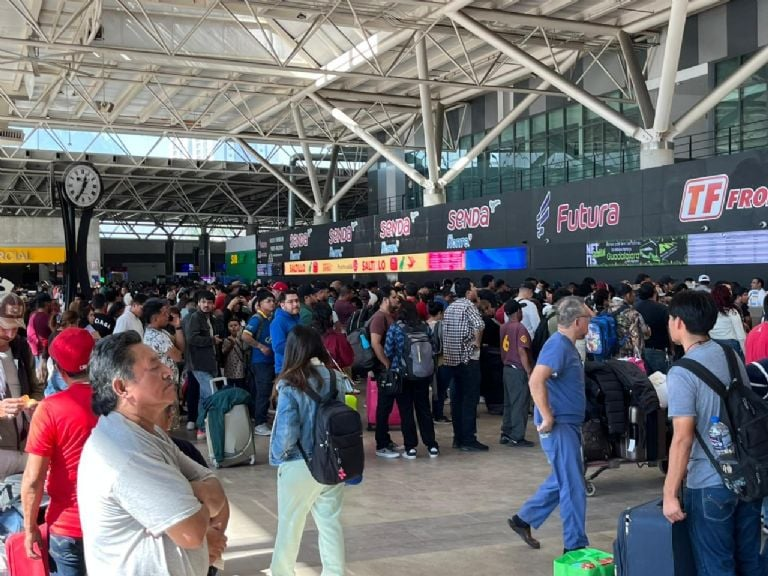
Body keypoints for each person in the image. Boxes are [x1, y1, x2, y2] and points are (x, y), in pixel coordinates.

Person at [78, 331, 229, 576]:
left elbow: (216, 489)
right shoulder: (126, 451)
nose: (168, 371)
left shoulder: (149, 434)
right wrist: (196, 491)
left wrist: (187, 492)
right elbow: (191, 532)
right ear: (121, 387)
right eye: (154, 367)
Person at [662, 291, 761, 575]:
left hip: (709, 483)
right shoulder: (731, 355)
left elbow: (682, 438)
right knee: (750, 562)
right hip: (747, 476)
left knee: (715, 566)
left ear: (678, 322)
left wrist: (669, 494)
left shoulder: (681, 373)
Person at [509, 296, 591, 553]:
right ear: (578, 322)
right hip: (560, 425)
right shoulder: (558, 346)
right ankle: (574, 546)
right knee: (573, 486)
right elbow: (536, 380)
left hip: (567, 424)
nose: (591, 323)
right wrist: (546, 416)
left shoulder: (564, 345)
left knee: (564, 478)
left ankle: (523, 519)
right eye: (588, 319)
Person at [269, 326, 346, 576]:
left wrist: (279, 457)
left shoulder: (290, 384)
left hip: (299, 462)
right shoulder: (336, 378)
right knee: (330, 524)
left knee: (290, 525)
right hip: (332, 462)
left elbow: (287, 431)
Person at [21, 328, 97, 576]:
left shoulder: (50, 409)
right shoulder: (121, 402)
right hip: (114, 525)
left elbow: (33, 479)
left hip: (67, 526)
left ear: (60, 371)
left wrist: (30, 527)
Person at [384, 301, 439, 459]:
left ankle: (411, 448)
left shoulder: (395, 328)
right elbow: (434, 348)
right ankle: (431, 445)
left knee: (406, 411)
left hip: (403, 375)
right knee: (424, 410)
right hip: (423, 375)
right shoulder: (424, 326)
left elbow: (388, 350)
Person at [0, 292, 44, 478]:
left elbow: (37, 388)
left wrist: (34, 404)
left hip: (24, 444)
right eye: (4, 327)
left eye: (15, 328)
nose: (10, 334)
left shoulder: (21, 348)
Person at [442, 278, 486, 452]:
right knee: (469, 400)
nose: (476, 289)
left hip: (452, 360)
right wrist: (476, 344)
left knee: (456, 400)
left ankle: (458, 438)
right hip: (468, 360)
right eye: (474, 286)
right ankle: (468, 439)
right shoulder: (468, 306)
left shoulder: (451, 307)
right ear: (468, 292)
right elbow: (479, 325)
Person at [370, 285, 404, 458]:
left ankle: (386, 439)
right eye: (393, 297)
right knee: (384, 406)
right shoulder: (379, 318)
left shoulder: (389, 316)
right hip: (384, 369)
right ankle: (381, 444)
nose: (397, 299)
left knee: (388, 405)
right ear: (384, 300)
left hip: (390, 368)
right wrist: (386, 363)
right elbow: (375, 342)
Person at [183, 291, 221, 441]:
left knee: (205, 395)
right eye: (204, 302)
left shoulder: (211, 318)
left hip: (210, 362)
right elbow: (192, 339)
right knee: (212, 393)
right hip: (199, 363)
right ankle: (205, 426)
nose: (207, 305)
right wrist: (211, 340)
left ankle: (202, 426)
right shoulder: (195, 318)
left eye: (210, 302)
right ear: (198, 303)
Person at [499, 299, 534, 448]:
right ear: (519, 312)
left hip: (506, 367)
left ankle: (506, 432)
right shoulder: (520, 328)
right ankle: (517, 436)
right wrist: (529, 371)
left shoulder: (503, 327)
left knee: (509, 403)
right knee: (520, 403)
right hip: (518, 369)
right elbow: (522, 351)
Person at [242, 289, 276, 437]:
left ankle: (259, 416)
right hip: (260, 362)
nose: (272, 303)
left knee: (263, 391)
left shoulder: (270, 318)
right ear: (259, 304)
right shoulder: (257, 319)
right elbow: (245, 336)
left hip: (268, 361)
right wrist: (260, 347)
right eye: (268, 301)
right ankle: (260, 423)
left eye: (273, 300)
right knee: (263, 392)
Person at [635, 282, 671, 374]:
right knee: (661, 381)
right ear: (654, 293)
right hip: (659, 350)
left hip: (639, 351)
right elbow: (669, 330)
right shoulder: (662, 308)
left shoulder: (634, 308)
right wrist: (672, 349)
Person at [426, 301, 450, 423]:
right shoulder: (442, 326)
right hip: (441, 361)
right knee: (440, 390)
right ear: (440, 312)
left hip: (426, 362)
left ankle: (430, 414)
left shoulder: (424, 325)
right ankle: (438, 414)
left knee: (431, 389)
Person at [709, 284, 747, 360]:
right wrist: (746, 352)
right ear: (728, 296)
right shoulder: (732, 312)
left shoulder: (709, 311)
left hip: (713, 344)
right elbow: (740, 335)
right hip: (731, 345)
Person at [270, 290, 301, 375]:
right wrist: (302, 346)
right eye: (291, 302)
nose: (295, 304)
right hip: (285, 370)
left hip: (298, 367)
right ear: (282, 305)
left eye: (297, 301)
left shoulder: (297, 317)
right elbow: (278, 347)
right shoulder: (278, 322)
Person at [27, 293, 53, 383]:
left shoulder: (33, 314)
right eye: (51, 303)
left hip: (36, 352)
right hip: (42, 354)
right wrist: (44, 358)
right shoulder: (44, 317)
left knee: (40, 380)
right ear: (47, 304)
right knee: (43, 381)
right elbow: (45, 339)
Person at [221, 319, 247, 389]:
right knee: (230, 388)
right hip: (229, 368)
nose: (233, 328)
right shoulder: (227, 340)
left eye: (235, 325)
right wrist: (231, 344)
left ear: (239, 326)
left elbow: (244, 349)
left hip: (240, 368)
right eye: (231, 326)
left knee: (241, 387)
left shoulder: (244, 338)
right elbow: (223, 352)